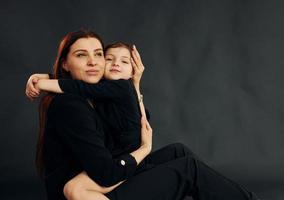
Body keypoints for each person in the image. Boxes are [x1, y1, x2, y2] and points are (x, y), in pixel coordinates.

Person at [26, 29, 260, 200]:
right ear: (65, 63)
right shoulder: (71, 106)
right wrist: (144, 150)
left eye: (98, 54)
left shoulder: (93, 95)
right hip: (92, 189)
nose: (93, 62)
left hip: (102, 177)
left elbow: (135, 117)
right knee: (190, 169)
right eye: (81, 55)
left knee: (178, 151)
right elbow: (106, 173)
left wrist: (135, 84)